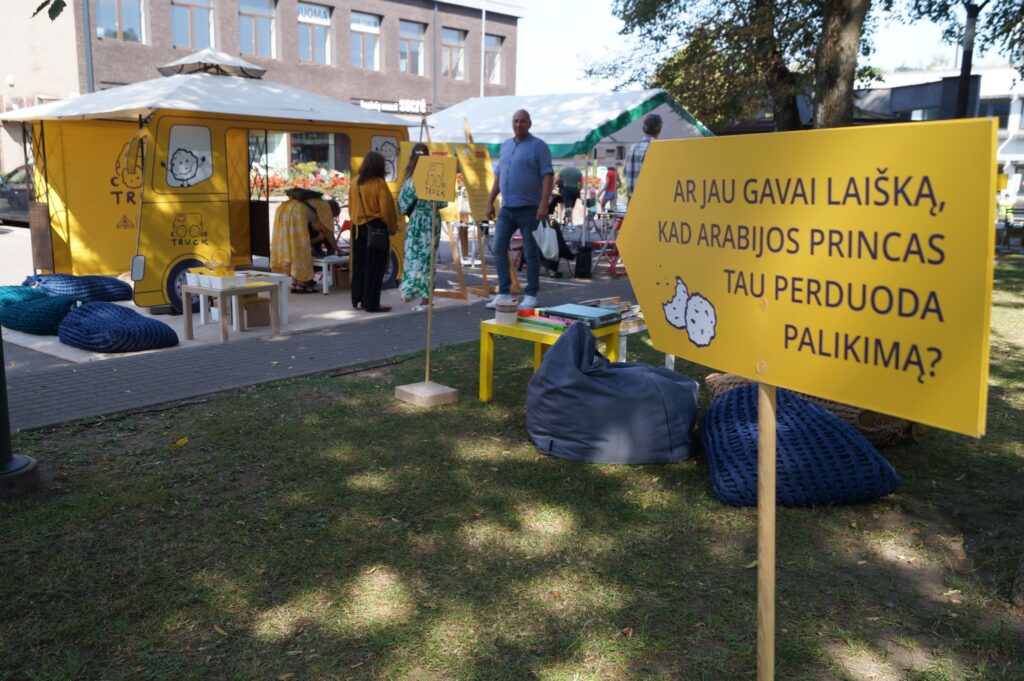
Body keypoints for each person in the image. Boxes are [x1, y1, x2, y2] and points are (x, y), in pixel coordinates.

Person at [486, 109, 554, 310]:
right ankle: (504, 293)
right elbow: (498, 176)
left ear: (530, 124)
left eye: (522, 121)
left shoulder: (539, 146)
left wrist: (543, 204)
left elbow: (548, 177)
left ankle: (531, 294)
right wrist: (490, 201)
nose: (518, 124)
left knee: (531, 252)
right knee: (498, 247)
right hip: (507, 207)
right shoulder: (506, 146)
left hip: (530, 208)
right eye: (515, 121)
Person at [348, 151, 399, 313]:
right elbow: (387, 210)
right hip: (375, 228)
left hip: (357, 228)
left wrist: (357, 220)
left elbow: (350, 207)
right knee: (375, 267)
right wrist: (392, 227)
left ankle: (357, 300)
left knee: (359, 266)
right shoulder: (379, 183)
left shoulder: (355, 182)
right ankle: (372, 304)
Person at [398, 143, 446, 312]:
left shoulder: (411, 180)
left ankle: (413, 291)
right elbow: (443, 202)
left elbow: (402, 205)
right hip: (433, 219)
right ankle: (427, 299)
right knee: (429, 260)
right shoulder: (436, 178)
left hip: (418, 219)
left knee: (414, 257)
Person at [270, 187, 337, 293]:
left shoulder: (311, 202)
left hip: (283, 210)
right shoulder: (324, 206)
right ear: (332, 211)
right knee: (301, 247)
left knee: (292, 246)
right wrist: (338, 249)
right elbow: (328, 230)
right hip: (296, 213)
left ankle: (295, 283)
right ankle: (302, 284)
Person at [624, 113, 662, 203]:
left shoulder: (632, 148)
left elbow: (626, 174)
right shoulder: (659, 148)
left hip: (633, 204)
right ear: (659, 129)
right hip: (650, 202)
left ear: (643, 128)